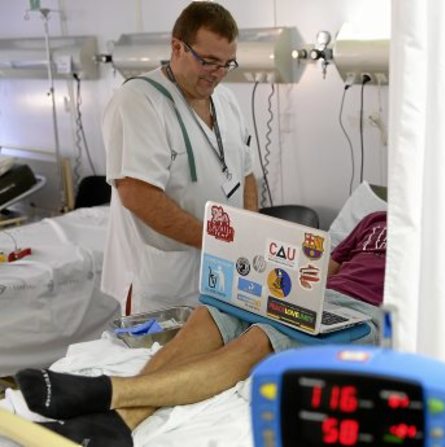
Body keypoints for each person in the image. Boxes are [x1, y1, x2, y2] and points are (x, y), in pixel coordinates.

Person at [15, 211, 388, 447]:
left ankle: (104, 392)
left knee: (260, 337)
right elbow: (327, 271)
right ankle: (119, 423)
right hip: (314, 300)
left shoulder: (426, 236)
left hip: (358, 312)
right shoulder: (375, 219)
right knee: (207, 315)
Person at [101, 2, 258, 315]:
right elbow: (138, 195)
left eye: (227, 64)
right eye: (209, 61)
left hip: (223, 276)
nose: (218, 74)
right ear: (177, 47)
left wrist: (249, 234)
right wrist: (219, 242)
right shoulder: (139, 101)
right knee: (164, 349)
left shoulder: (225, 100)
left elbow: (246, 173)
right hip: (163, 282)